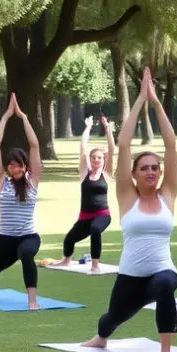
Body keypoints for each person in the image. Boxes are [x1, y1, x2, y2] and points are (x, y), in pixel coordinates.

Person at [82, 69, 177, 352]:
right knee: (112, 319)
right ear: (134, 174)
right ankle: (101, 337)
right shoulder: (128, 198)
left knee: (166, 284)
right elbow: (124, 145)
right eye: (145, 168)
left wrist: (157, 104)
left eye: (155, 168)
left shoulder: (168, 197)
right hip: (130, 276)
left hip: (162, 270)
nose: (152, 171)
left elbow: (171, 145)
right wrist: (140, 99)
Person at [0, 94, 44, 310]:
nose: (15, 169)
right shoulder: (2, 181)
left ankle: (32, 300)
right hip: (5, 240)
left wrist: (22, 118)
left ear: (25, 166)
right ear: (7, 167)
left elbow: (34, 146)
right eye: (11, 165)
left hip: (28, 236)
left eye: (19, 165)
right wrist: (4, 117)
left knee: (26, 254)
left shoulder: (33, 181)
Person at [55, 115, 115, 273]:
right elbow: (83, 148)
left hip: (102, 215)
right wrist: (88, 127)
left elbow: (112, 148)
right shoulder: (84, 174)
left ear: (104, 160)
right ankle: (66, 260)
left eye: (100, 158)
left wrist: (107, 128)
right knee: (69, 239)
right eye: (94, 157)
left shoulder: (107, 175)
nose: (96, 160)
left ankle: (95, 264)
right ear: (90, 159)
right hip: (84, 216)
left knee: (95, 229)